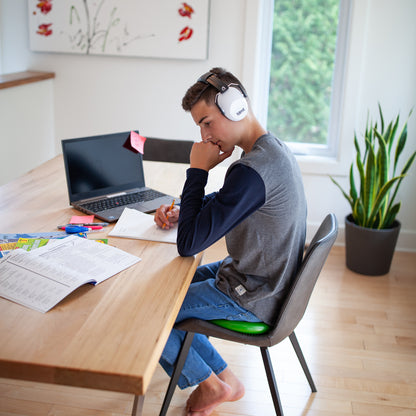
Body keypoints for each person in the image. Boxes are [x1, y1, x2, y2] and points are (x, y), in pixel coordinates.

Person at [154, 67, 307, 416]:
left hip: (255, 296)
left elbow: (189, 244)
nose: (205, 136)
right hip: (258, 280)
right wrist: (185, 210)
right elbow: (226, 203)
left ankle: (211, 388)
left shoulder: (252, 170)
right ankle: (226, 382)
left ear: (236, 107)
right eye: (200, 127)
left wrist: (197, 171)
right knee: (163, 287)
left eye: (207, 122)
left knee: (153, 312)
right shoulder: (268, 152)